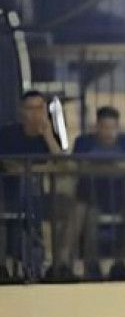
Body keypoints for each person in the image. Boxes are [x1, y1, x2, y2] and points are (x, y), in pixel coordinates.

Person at [0, 90, 76, 281]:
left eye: (40, 108)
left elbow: (64, 165)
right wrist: (40, 167)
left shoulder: (51, 135)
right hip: (9, 197)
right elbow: (7, 165)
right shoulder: (7, 134)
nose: (35, 113)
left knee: (70, 209)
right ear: (21, 111)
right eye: (30, 108)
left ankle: (60, 265)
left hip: (41, 197)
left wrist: (48, 135)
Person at [69, 106, 125, 281]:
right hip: (89, 198)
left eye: (113, 128)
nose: (109, 132)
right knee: (90, 215)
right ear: (97, 127)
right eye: (105, 127)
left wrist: (99, 166)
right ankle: (91, 265)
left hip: (119, 199)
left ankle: (121, 263)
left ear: (118, 128)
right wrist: (112, 166)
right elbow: (76, 166)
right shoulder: (83, 142)